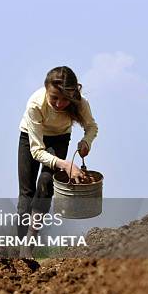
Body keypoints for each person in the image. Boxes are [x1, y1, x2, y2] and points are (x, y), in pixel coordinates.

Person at [17, 66, 98, 258]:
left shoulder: (80, 103)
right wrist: (65, 165)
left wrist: (86, 142)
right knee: (26, 194)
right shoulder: (35, 105)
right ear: (46, 89)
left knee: (45, 183)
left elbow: (91, 126)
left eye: (64, 99)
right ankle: (17, 247)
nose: (59, 104)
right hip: (31, 138)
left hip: (60, 138)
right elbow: (36, 150)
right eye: (54, 97)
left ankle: (29, 245)